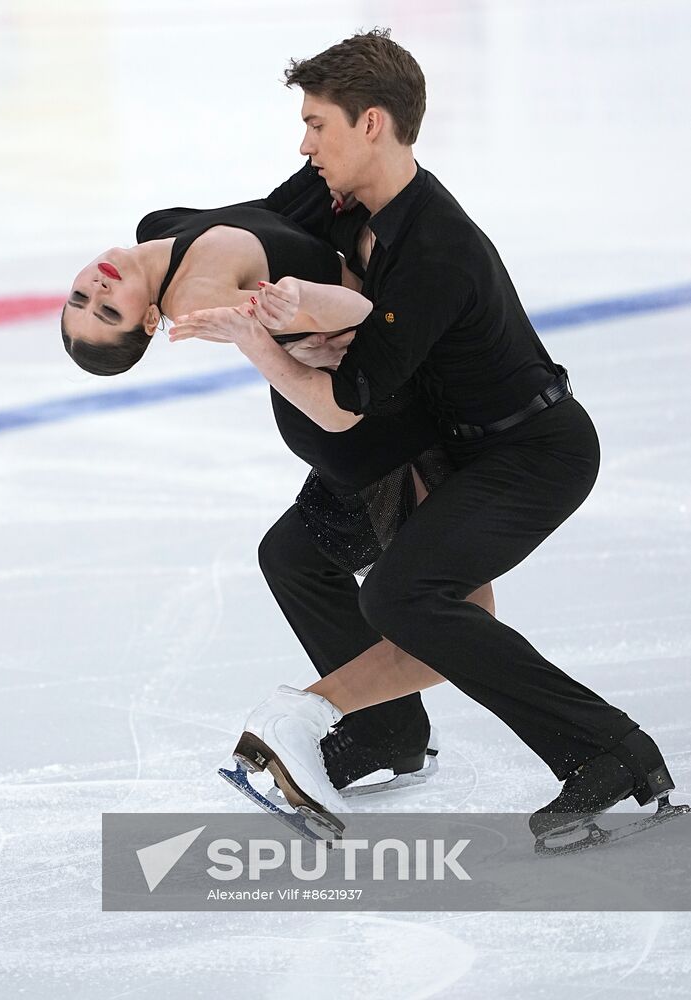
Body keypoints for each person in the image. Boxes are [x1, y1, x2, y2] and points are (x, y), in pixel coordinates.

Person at [169, 28, 679, 846]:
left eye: (317, 124)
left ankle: (608, 751)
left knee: (404, 596)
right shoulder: (328, 194)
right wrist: (158, 263)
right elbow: (248, 222)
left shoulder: (435, 248)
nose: (304, 144)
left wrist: (257, 341)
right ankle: (386, 734)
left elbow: (350, 398)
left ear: (371, 123)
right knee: (296, 556)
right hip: (440, 445)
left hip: (528, 452)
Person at [61, 194, 496, 792]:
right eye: (107, 312)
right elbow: (353, 319)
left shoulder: (159, 229)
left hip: (373, 426)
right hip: (382, 429)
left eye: (81, 299)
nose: (96, 291)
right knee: (444, 613)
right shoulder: (195, 297)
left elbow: (286, 210)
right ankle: (385, 726)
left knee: (294, 560)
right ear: (151, 322)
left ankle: (388, 728)